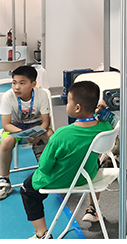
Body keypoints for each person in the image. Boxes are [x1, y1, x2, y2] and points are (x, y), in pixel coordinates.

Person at [19, 81, 112, 239]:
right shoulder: (105, 128)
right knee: (93, 159)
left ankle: (42, 234)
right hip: (88, 176)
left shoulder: (61, 135)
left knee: (27, 190)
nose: (66, 104)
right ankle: (93, 209)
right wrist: (100, 112)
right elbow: (107, 121)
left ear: (77, 107)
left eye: (68, 101)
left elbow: (45, 167)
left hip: (65, 179)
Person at [0, 65, 53, 200]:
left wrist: (37, 133)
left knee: (51, 136)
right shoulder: (7, 96)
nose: (16, 87)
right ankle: (4, 180)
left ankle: (52, 173)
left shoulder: (41, 95)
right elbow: (6, 124)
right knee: (6, 141)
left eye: (22, 83)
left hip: (38, 126)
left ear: (33, 84)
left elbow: (46, 121)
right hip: (15, 127)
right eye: (14, 83)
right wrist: (25, 133)